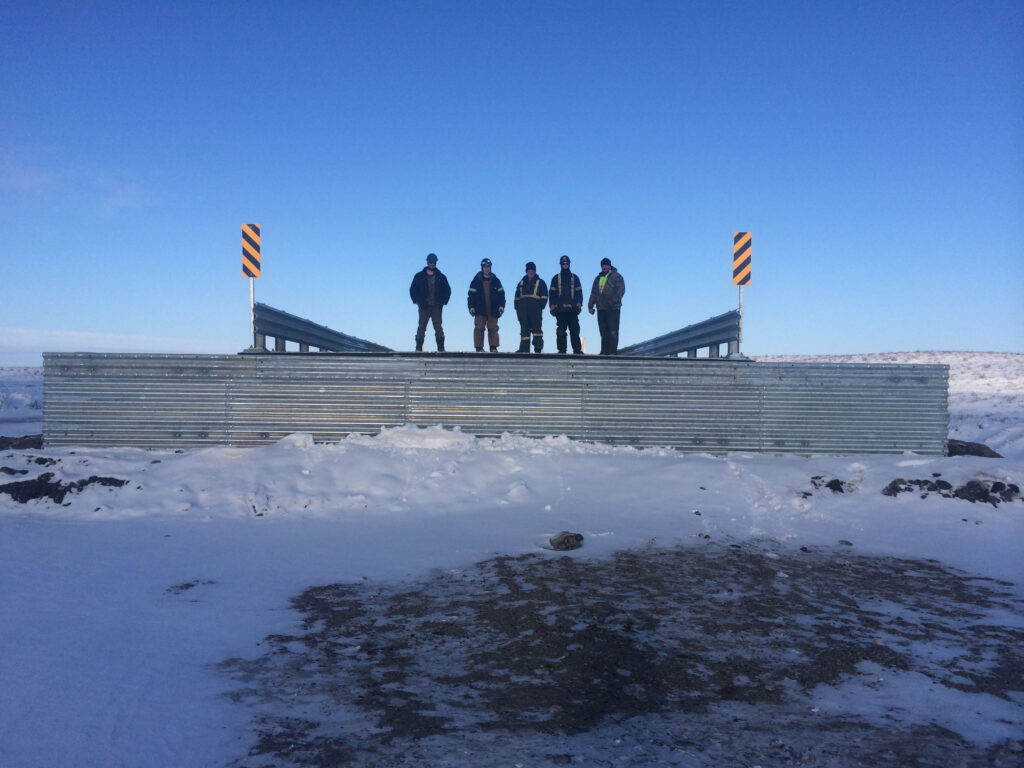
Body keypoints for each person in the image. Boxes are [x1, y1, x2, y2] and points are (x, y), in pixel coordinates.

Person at [409, 252, 451, 351]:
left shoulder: (441, 277)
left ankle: (441, 348)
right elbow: (412, 289)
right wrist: (416, 300)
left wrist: (444, 301)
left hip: (437, 306)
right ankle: (419, 347)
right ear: (427, 262)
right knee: (421, 327)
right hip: (424, 306)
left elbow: (448, 290)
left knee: (438, 328)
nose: (432, 263)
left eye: (434, 262)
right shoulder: (419, 276)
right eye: (430, 262)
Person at [588, 257, 626, 355]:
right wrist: (590, 306)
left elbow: (621, 290)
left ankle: (612, 352)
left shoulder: (617, 276)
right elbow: (593, 293)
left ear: (609, 265)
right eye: (602, 265)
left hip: (613, 308)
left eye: (606, 265)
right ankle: (604, 352)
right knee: (603, 332)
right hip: (601, 308)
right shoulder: (598, 278)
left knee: (613, 331)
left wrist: (613, 301)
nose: (604, 267)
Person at [467, 258, 505, 352]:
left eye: (488, 267)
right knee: (479, 327)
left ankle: (493, 347)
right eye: (485, 267)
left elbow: (501, 295)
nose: (487, 269)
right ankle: (479, 348)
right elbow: (470, 295)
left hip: (493, 309)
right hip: (480, 309)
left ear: (490, 268)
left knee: (493, 328)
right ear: (482, 268)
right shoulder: (476, 281)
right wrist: (471, 307)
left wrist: (501, 306)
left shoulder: (496, 281)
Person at [548, 255, 584, 354]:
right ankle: (562, 350)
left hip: (572, 311)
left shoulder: (575, 278)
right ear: (560, 264)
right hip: (560, 311)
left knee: (575, 331)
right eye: (563, 263)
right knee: (561, 332)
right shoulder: (555, 278)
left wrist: (579, 306)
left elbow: (579, 293)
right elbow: (552, 294)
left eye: (566, 263)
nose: (565, 265)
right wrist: (552, 308)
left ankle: (577, 350)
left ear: (569, 264)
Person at [513, 261, 548, 353]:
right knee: (524, 330)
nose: (531, 272)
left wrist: (540, 306)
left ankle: (538, 348)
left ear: (535, 271)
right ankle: (524, 349)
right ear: (526, 271)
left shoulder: (540, 282)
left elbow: (544, 296)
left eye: (532, 270)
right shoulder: (521, 283)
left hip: (535, 310)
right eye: (529, 270)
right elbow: (517, 297)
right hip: (523, 311)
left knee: (537, 329)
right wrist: (517, 309)